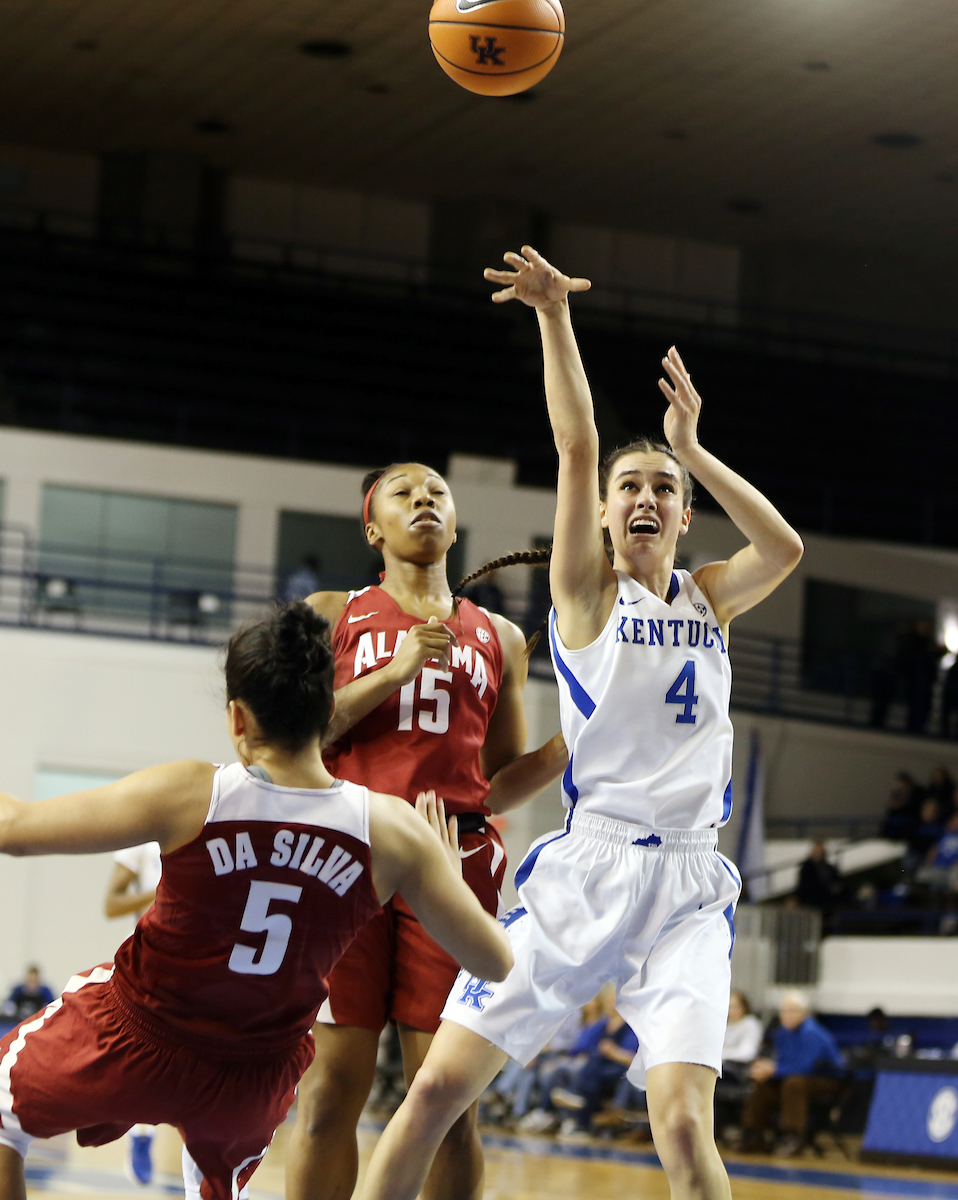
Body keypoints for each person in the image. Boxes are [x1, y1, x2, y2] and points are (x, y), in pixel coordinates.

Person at [353, 245, 804, 1200]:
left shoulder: (710, 597)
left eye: (664, 490)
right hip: (589, 869)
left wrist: (695, 452)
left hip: (690, 881)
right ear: (602, 515)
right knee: (434, 1088)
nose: (647, 497)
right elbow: (576, 443)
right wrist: (555, 316)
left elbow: (785, 546)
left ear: (684, 515)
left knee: (684, 1130)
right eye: (632, 487)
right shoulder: (584, 595)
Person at [0, 602, 512, 1200]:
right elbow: (495, 963)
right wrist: (446, 876)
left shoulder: (193, 793)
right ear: (328, 708)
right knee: (216, 1183)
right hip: (252, 1076)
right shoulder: (393, 831)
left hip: (136, 1034)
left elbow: (13, 829)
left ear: (238, 719)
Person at [286, 462, 567, 1200]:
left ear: (454, 518)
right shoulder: (330, 612)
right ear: (372, 527)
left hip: (456, 863)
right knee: (325, 1099)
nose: (424, 501)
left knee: (442, 1102)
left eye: (437, 492)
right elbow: (298, 738)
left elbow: (500, 776)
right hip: (345, 857)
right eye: (404, 494)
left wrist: (569, 752)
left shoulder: (501, 637)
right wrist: (392, 671)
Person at [103, 840, 163, 1185]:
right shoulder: (145, 834)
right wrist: (162, 892)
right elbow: (111, 903)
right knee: (145, 1054)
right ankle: (141, 1135)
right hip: (147, 954)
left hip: (209, 954)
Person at [740, 992, 844, 1156]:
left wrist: (774, 1070)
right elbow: (782, 1061)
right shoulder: (782, 1033)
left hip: (827, 1079)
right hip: (793, 1076)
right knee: (763, 1083)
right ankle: (754, 1133)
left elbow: (807, 1066)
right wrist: (766, 1068)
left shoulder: (812, 1033)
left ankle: (793, 1137)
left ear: (804, 1013)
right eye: (783, 1011)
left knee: (794, 1083)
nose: (786, 1015)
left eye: (792, 1011)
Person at [796, 841, 843, 912]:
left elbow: (836, 880)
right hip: (812, 901)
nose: (819, 854)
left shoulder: (828, 868)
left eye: (821, 852)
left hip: (828, 901)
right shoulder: (807, 868)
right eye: (817, 852)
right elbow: (806, 886)